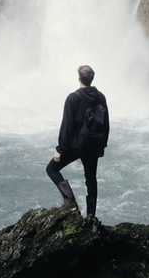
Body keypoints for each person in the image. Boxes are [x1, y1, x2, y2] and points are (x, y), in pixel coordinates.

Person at [45, 64, 109, 219]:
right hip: (93, 145)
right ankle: (91, 216)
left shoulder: (73, 98)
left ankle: (70, 201)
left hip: (77, 145)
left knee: (52, 169)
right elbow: (106, 123)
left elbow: (67, 125)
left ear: (79, 78)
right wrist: (102, 145)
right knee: (91, 178)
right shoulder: (100, 97)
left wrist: (60, 149)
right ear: (92, 79)